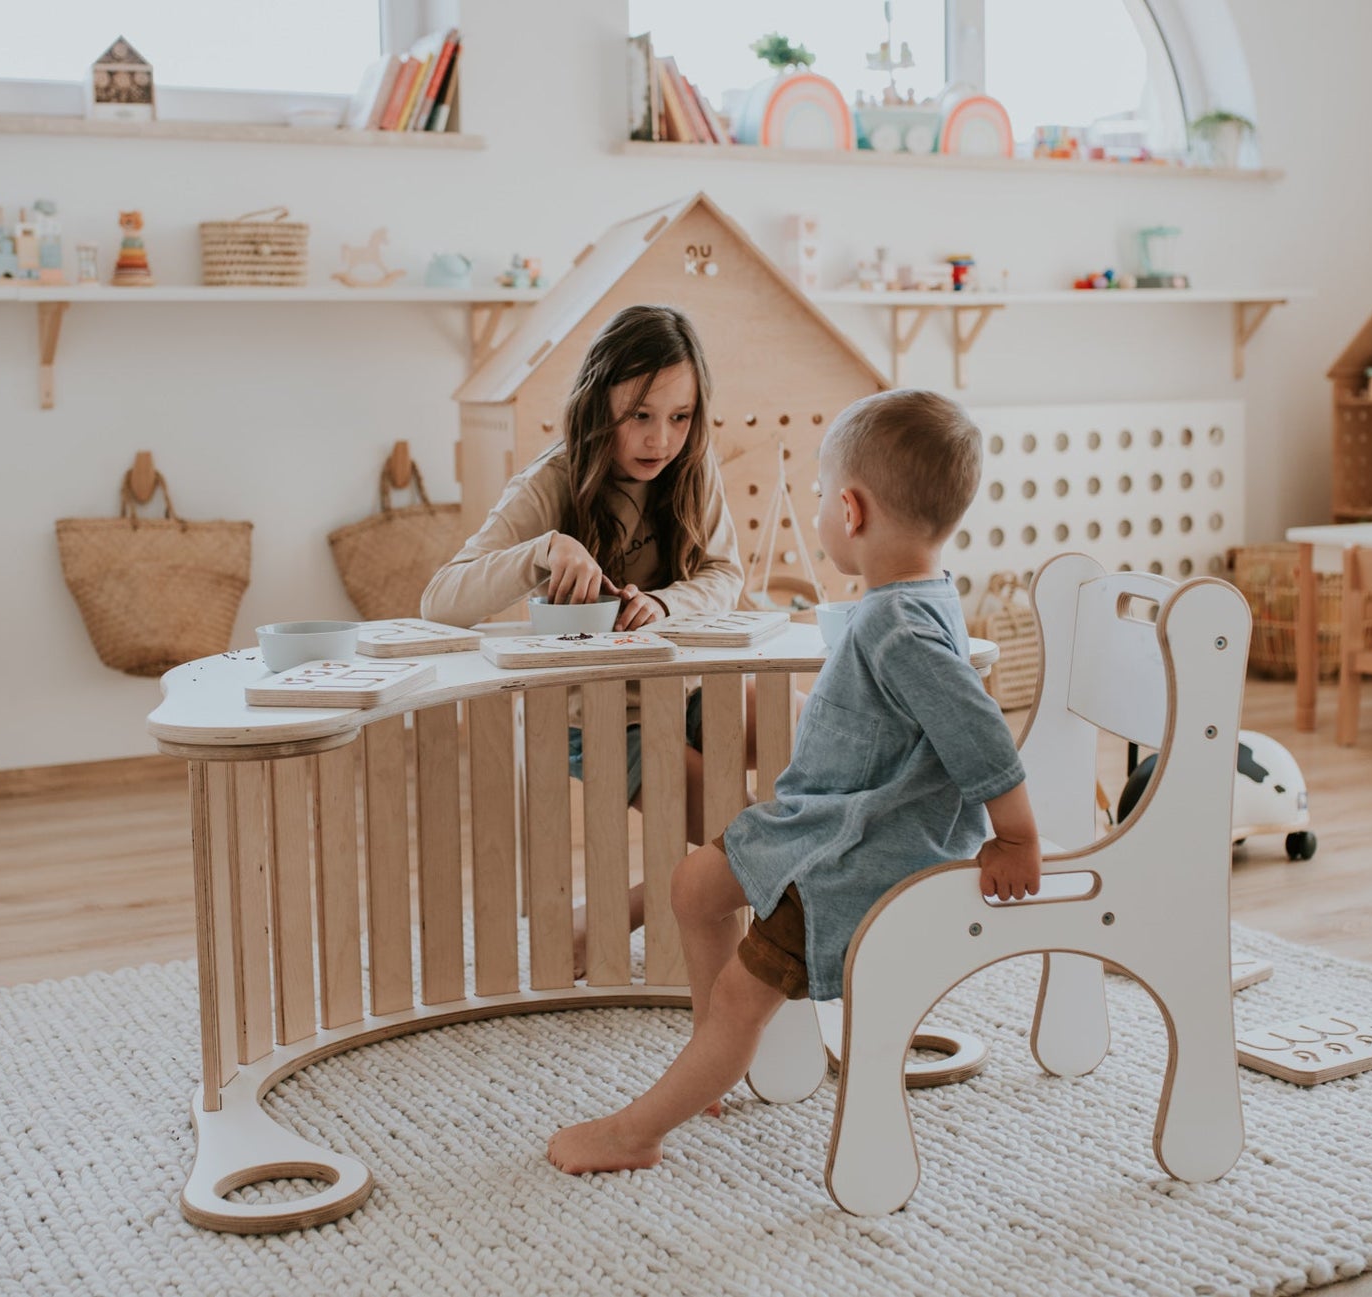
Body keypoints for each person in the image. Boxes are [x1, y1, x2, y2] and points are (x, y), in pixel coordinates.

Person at [547, 387, 1042, 1174]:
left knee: (748, 996)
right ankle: (716, 1049)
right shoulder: (909, 600)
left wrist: (1015, 836)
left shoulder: (900, 625)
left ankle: (635, 1131)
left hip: (855, 850)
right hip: (816, 818)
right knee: (694, 885)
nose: (815, 511)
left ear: (849, 510)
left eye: (817, 498)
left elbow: (980, 730)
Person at [421, 305, 747, 966]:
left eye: (680, 417)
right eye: (641, 416)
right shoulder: (552, 482)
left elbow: (725, 573)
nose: (661, 439)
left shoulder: (693, 470)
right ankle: (603, 921)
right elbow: (440, 599)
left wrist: (662, 604)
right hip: (599, 719)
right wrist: (540, 551)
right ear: (601, 403)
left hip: (682, 691)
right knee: (751, 835)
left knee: (823, 754)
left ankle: (784, 919)